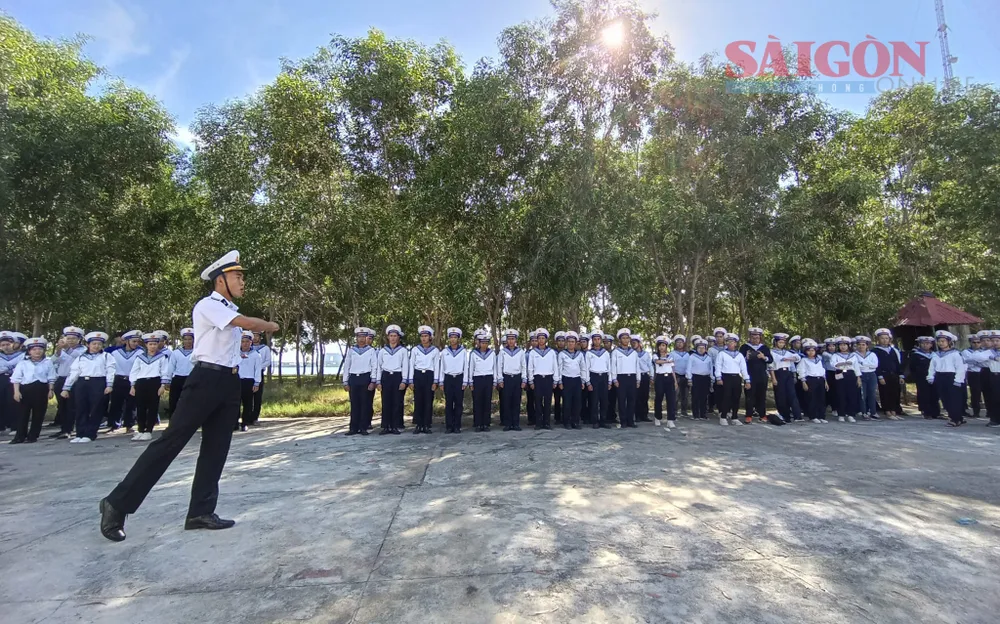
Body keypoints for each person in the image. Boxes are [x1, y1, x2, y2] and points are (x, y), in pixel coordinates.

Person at [99, 250, 280, 542]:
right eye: (238, 276)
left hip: (229, 381)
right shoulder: (209, 305)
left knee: (216, 448)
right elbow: (246, 324)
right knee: (171, 442)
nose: (243, 282)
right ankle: (116, 504)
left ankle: (201, 512)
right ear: (220, 280)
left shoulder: (227, 308)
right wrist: (269, 325)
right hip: (205, 380)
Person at [61, 331, 115, 443]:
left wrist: (109, 384)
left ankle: (90, 434)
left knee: (96, 408)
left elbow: (111, 370)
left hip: (98, 382)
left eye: (99, 344)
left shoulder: (106, 356)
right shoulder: (81, 357)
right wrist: (66, 388)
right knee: (81, 408)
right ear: (88, 344)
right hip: (82, 382)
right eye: (94, 343)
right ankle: (80, 433)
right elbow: (74, 372)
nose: (96, 346)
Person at [10, 337, 56, 443]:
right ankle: (20, 436)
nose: (37, 351)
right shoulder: (23, 363)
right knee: (22, 414)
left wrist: (51, 390)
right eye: (34, 349)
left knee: (39, 414)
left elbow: (51, 377)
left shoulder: (48, 362)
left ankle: (33, 436)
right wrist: (16, 392)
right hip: (26, 389)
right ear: (29, 351)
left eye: (40, 349)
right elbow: (16, 378)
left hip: (41, 389)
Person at [128, 332, 172, 440]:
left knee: (152, 407)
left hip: (154, 382)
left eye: (155, 344)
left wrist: (162, 385)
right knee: (140, 407)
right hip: (141, 382)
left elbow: (164, 371)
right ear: (146, 345)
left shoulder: (162, 357)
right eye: (150, 344)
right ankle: (141, 429)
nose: (152, 346)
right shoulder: (140, 357)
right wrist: (133, 385)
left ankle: (148, 430)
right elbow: (134, 371)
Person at [51, 326, 86, 439]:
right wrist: (58, 350)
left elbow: (78, 358)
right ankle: (63, 428)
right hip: (61, 379)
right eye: (68, 338)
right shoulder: (63, 350)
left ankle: (68, 429)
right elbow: (53, 361)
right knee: (62, 406)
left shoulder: (83, 350)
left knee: (71, 406)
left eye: (73, 338)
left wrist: (67, 349)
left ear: (79, 339)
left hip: (74, 380)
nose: (70, 340)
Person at [928, 330, 967, 427]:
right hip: (940, 377)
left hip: (952, 377)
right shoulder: (936, 354)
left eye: (943, 341)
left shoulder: (955, 353)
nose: (941, 343)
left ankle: (955, 419)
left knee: (954, 399)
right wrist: (930, 376)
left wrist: (958, 380)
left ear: (949, 342)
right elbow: (932, 366)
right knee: (945, 398)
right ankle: (954, 416)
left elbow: (960, 368)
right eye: (939, 341)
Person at [108, 330, 143, 433]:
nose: (136, 344)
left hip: (133, 380)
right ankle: (114, 425)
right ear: (127, 341)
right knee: (116, 403)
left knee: (131, 404)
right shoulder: (115, 353)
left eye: (137, 341)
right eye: (133, 341)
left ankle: (129, 425)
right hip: (118, 379)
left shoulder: (140, 352)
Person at [343, 327, 377, 436]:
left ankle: (363, 428)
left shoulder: (371, 351)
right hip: (354, 378)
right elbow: (347, 366)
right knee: (354, 404)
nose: (361, 339)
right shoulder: (352, 350)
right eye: (359, 337)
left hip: (365, 377)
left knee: (365, 404)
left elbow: (374, 366)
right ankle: (353, 428)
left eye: (363, 337)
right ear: (356, 338)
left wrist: (373, 381)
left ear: (367, 338)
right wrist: (345, 381)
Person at [407, 326, 439, 434]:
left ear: (430, 337)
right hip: (418, 375)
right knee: (418, 400)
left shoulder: (435, 350)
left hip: (429, 376)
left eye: (426, 336)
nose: (424, 338)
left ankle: (426, 424)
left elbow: (436, 366)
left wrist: (435, 381)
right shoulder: (415, 349)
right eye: (422, 336)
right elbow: (411, 364)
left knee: (428, 400)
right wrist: (410, 380)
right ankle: (418, 424)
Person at [376, 325, 407, 435]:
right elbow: (378, 367)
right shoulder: (383, 351)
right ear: (388, 337)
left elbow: (405, 366)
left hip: (397, 376)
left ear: (399, 337)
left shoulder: (403, 351)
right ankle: (385, 426)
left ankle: (395, 426)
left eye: (395, 336)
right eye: (391, 336)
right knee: (386, 402)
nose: (393, 338)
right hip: (386, 376)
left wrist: (404, 381)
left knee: (396, 402)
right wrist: (378, 381)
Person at [739, 328, 775, 424]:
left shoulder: (764, 348)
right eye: (753, 337)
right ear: (749, 337)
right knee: (749, 396)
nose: (755, 340)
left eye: (757, 338)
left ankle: (762, 415)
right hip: (749, 375)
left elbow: (771, 359)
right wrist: (746, 357)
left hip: (762, 376)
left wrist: (764, 357)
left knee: (761, 396)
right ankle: (748, 415)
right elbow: (739, 360)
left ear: (760, 338)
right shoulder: (744, 347)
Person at [715, 333, 750, 426]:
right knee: (726, 397)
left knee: (736, 398)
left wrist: (747, 380)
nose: (731, 344)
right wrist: (718, 377)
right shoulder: (722, 353)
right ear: (726, 343)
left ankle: (735, 417)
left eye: (733, 342)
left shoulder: (739, 355)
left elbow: (743, 368)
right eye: (728, 342)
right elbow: (718, 366)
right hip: (726, 377)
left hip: (736, 377)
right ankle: (723, 416)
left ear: (735, 343)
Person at [528, 328, 558, 430]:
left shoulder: (551, 352)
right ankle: (538, 423)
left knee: (548, 401)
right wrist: (531, 380)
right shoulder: (533, 352)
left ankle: (547, 422)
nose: (541, 340)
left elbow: (555, 367)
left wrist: (555, 380)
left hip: (548, 378)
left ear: (546, 340)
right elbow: (530, 367)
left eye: (543, 338)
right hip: (538, 379)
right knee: (538, 401)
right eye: (539, 338)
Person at [497, 329, 526, 431]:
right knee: (507, 401)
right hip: (507, 378)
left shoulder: (521, 352)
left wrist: (524, 380)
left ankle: (516, 423)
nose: (510, 341)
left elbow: (523, 366)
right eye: (508, 339)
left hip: (517, 378)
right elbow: (499, 366)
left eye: (512, 339)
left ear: (516, 340)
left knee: (516, 401)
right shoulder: (502, 352)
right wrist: (500, 379)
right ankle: (508, 423)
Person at [439, 328, 468, 433]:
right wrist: (441, 381)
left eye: (455, 337)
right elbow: (441, 367)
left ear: (458, 339)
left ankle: (457, 426)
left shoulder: (463, 351)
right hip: (448, 378)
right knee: (449, 403)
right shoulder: (444, 352)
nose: (453, 340)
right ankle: (449, 426)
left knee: (459, 403)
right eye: (451, 337)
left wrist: (465, 381)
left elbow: (466, 367)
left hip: (459, 378)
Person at [768, 333, 801, 423]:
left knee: (792, 394)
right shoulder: (771, 352)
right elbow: (771, 366)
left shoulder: (787, 352)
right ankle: (784, 415)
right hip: (778, 373)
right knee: (780, 395)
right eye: (780, 342)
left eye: (783, 342)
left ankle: (797, 415)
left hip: (788, 373)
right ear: (775, 342)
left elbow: (797, 358)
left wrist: (791, 359)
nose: (782, 344)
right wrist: (773, 378)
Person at [467, 330, 497, 432]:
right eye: (482, 343)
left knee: (487, 401)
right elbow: (471, 367)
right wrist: (470, 382)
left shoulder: (491, 353)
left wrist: (495, 381)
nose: (484, 345)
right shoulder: (474, 353)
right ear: (479, 343)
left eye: (486, 343)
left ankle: (486, 423)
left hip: (488, 378)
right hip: (477, 378)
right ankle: (478, 423)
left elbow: (495, 368)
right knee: (477, 402)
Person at [558, 331, 587, 429]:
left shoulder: (579, 354)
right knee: (567, 402)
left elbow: (583, 368)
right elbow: (559, 368)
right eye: (569, 341)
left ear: (575, 343)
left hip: (577, 380)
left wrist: (583, 381)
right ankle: (567, 422)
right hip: (566, 380)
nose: (571, 343)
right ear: (566, 343)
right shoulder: (562, 354)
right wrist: (560, 381)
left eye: (573, 341)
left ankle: (575, 422)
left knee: (577, 402)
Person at [873, 328, 904, 420]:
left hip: (894, 375)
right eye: (882, 338)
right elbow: (876, 365)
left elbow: (898, 363)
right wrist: (879, 376)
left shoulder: (894, 350)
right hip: (883, 375)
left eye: (886, 338)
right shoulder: (875, 351)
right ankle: (887, 411)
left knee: (895, 393)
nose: (884, 340)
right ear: (878, 339)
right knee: (885, 393)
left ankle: (894, 411)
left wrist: (901, 375)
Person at [234, 331, 262, 433]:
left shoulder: (255, 355)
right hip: (237, 381)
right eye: (243, 341)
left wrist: (257, 383)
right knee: (235, 403)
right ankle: (235, 423)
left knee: (248, 404)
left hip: (249, 381)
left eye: (247, 341)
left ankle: (244, 423)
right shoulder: (236, 353)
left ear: (251, 342)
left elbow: (257, 369)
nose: (245, 343)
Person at [611, 328, 639, 429]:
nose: (626, 340)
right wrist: (614, 379)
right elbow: (613, 366)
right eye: (623, 338)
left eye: (627, 338)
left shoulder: (634, 352)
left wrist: (638, 379)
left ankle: (630, 420)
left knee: (632, 400)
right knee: (622, 400)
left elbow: (637, 367)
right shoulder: (616, 352)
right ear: (620, 340)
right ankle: (623, 421)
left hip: (632, 377)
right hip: (621, 378)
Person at [796, 340, 829, 424]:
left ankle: (821, 416)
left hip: (820, 379)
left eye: (813, 350)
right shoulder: (804, 360)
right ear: (806, 351)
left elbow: (822, 370)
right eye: (809, 350)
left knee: (821, 398)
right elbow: (800, 371)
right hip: (810, 380)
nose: (811, 352)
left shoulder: (819, 359)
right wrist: (803, 382)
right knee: (812, 398)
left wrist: (825, 381)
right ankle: (813, 416)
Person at [829, 336, 861, 423]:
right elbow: (833, 364)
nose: (843, 347)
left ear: (848, 345)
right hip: (840, 374)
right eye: (841, 345)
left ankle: (851, 414)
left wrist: (858, 377)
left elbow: (856, 367)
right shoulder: (835, 355)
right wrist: (843, 363)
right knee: (840, 395)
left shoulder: (853, 355)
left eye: (845, 345)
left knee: (852, 395)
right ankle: (841, 414)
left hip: (851, 374)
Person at [586, 330, 611, 429]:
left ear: (601, 340)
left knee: (604, 400)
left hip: (604, 377)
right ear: (592, 341)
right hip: (594, 376)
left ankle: (603, 421)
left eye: (598, 339)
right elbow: (587, 368)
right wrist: (588, 382)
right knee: (594, 400)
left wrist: (609, 381)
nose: (597, 341)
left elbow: (609, 367)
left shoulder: (605, 353)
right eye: (595, 339)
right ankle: (595, 421)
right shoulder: (589, 353)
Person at [0, 331, 24, 436]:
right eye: (3, 345)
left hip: (15, 381)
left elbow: (21, 368)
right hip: (1, 380)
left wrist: (7, 369)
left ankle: (15, 426)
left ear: (13, 344)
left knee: (14, 403)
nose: (6, 347)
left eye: (8, 344)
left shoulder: (21, 355)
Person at [168, 328, 195, 417]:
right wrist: (167, 380)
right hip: (178, 378)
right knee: (174, 401)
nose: (188, 341)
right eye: (185, 339)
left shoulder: (196, 353)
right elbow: (171, 367)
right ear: (182, 340)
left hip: (192, 378)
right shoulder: (176, 353)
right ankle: (172, 422)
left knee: (191, 401)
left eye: (190, 339)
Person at [652, 335, 678, 428]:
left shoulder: (670, 356)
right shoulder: (655, 355)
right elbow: (657, 362)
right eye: (660, 345)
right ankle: (657, 417)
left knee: (671, 399)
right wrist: (666, 362)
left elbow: (673, 369)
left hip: (669, 378)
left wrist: (675, 381)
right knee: (659, 398)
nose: (661, 347)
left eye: (663, 345)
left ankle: (670, 419)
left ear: (666, 346)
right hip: (660, 378)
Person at [910, 336, 939, 418]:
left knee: (935, 394)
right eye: (923, 343)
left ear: (931, 344)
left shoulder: (935, 354)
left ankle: (936, 412)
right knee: (924, 394)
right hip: (922, 378)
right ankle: (926, 412)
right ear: (919, 344)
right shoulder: (915, 355)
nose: (925, 345)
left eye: (928, 343)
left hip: (934, 377)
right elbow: (912, 367)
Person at [687, 338, 713, 421]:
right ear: (696, 348)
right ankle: (695, 414)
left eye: (703, 348)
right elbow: (689, 368)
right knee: (695, 396)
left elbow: (711, 368)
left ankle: (703, 414)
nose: (701, 350)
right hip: (696, 378)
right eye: (699, 348)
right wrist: (689, 379)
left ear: (705, 349)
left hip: (706, 378)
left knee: (704, 397)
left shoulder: (708, 357)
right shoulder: (692, 357)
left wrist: (712, 378)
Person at [853, 336, 879, 420]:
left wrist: (863, 364)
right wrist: (867, 365)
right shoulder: (854, 355)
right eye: (859, 345)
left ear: (867, 346)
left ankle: (873, 412)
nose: (861, 346)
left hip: (871, 375)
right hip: (861, 375)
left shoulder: (872, 354)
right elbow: (855, 366)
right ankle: (864, 412)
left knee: (871, 393)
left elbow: (875, 365)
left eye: (863, 344)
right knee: (862, 394)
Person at [250, 331, 272, 425]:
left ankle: (255, 417)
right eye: (253, 336)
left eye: (256, 336)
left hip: (259, 373)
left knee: (257, 396)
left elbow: (268, 361)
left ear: (260, 337)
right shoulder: (247, 348)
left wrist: (258, 367)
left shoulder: (265, 348)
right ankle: (247, 417)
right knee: (247, 397)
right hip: (248, 374)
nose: (255, 338)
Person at [961, 334, 984, 419]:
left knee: (988, 392)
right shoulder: (965, 352)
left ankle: (990, 411)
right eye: (974, 342)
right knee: (975, 393)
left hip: (983, 373)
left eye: (978, 342)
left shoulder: (984, 351)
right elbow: (966, 363)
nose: (976, 344)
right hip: (973, 374)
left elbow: (985, 363)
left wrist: (974, 362)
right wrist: (977, 363)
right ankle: (976, 412)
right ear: (970, 342)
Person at [670, 336, 691, 417]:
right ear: (675, 344)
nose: (679, 344)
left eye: (681, 342)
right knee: (675, 394)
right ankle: (674, 411)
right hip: (676, 375)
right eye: (677, 342)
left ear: (684, 344)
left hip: (685, 376)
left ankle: (684, 411)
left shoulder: (687, 354)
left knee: (685, 395)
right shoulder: (672, 353)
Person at [604, 333, 618, 423]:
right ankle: (605, 417)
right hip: (605, 378)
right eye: (604, 342)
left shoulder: (615, 353)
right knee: (605, 399)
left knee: (613, 398)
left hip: (615, 378)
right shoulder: (601, 353)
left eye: (608, 342)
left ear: (611, 343)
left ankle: (612, 416)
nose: (606, 344)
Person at [525, 331, 538, 426]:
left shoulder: (543, 353)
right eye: (532, 340)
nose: (534, 342)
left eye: (535, 340)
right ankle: (531, 418)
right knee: (530, 400)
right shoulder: (527, 354)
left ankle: (539, 417)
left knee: (539, 399)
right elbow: (525, 367)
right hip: (529, 380)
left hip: (539, 380)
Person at [553, 331, 565, 424]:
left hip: (565, 378)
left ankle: (565, 416)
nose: (561, 342)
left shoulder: (568, 352)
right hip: (554, 378)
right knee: (557, 399)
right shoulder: (552, 352)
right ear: (556, 342)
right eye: (559, 341)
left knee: (566, 399)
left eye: (562, 340)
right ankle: (557, 418)